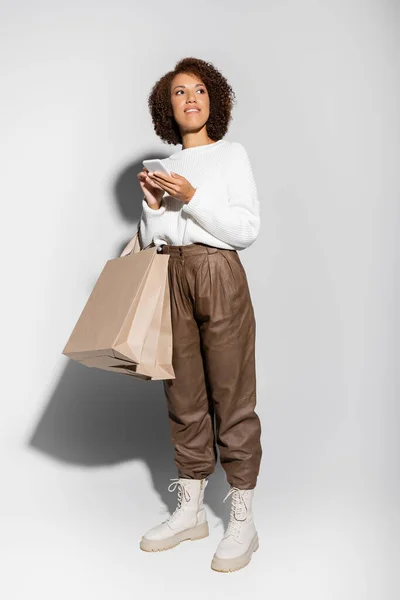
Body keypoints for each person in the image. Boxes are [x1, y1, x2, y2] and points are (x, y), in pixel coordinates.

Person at [122, 57, 262, 573]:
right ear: (168, 106)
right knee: (182, 394)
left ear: (214, 99)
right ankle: (191, 510)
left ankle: (243, 517)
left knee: (232, 396)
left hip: (217, 272)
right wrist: (155, 206)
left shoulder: (231, 156)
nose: (191, 98)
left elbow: (245, 229)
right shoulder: (164, 163)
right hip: (170, 275)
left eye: (199, 89)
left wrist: (192, 197)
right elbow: (156, 236)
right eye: (179, 92)